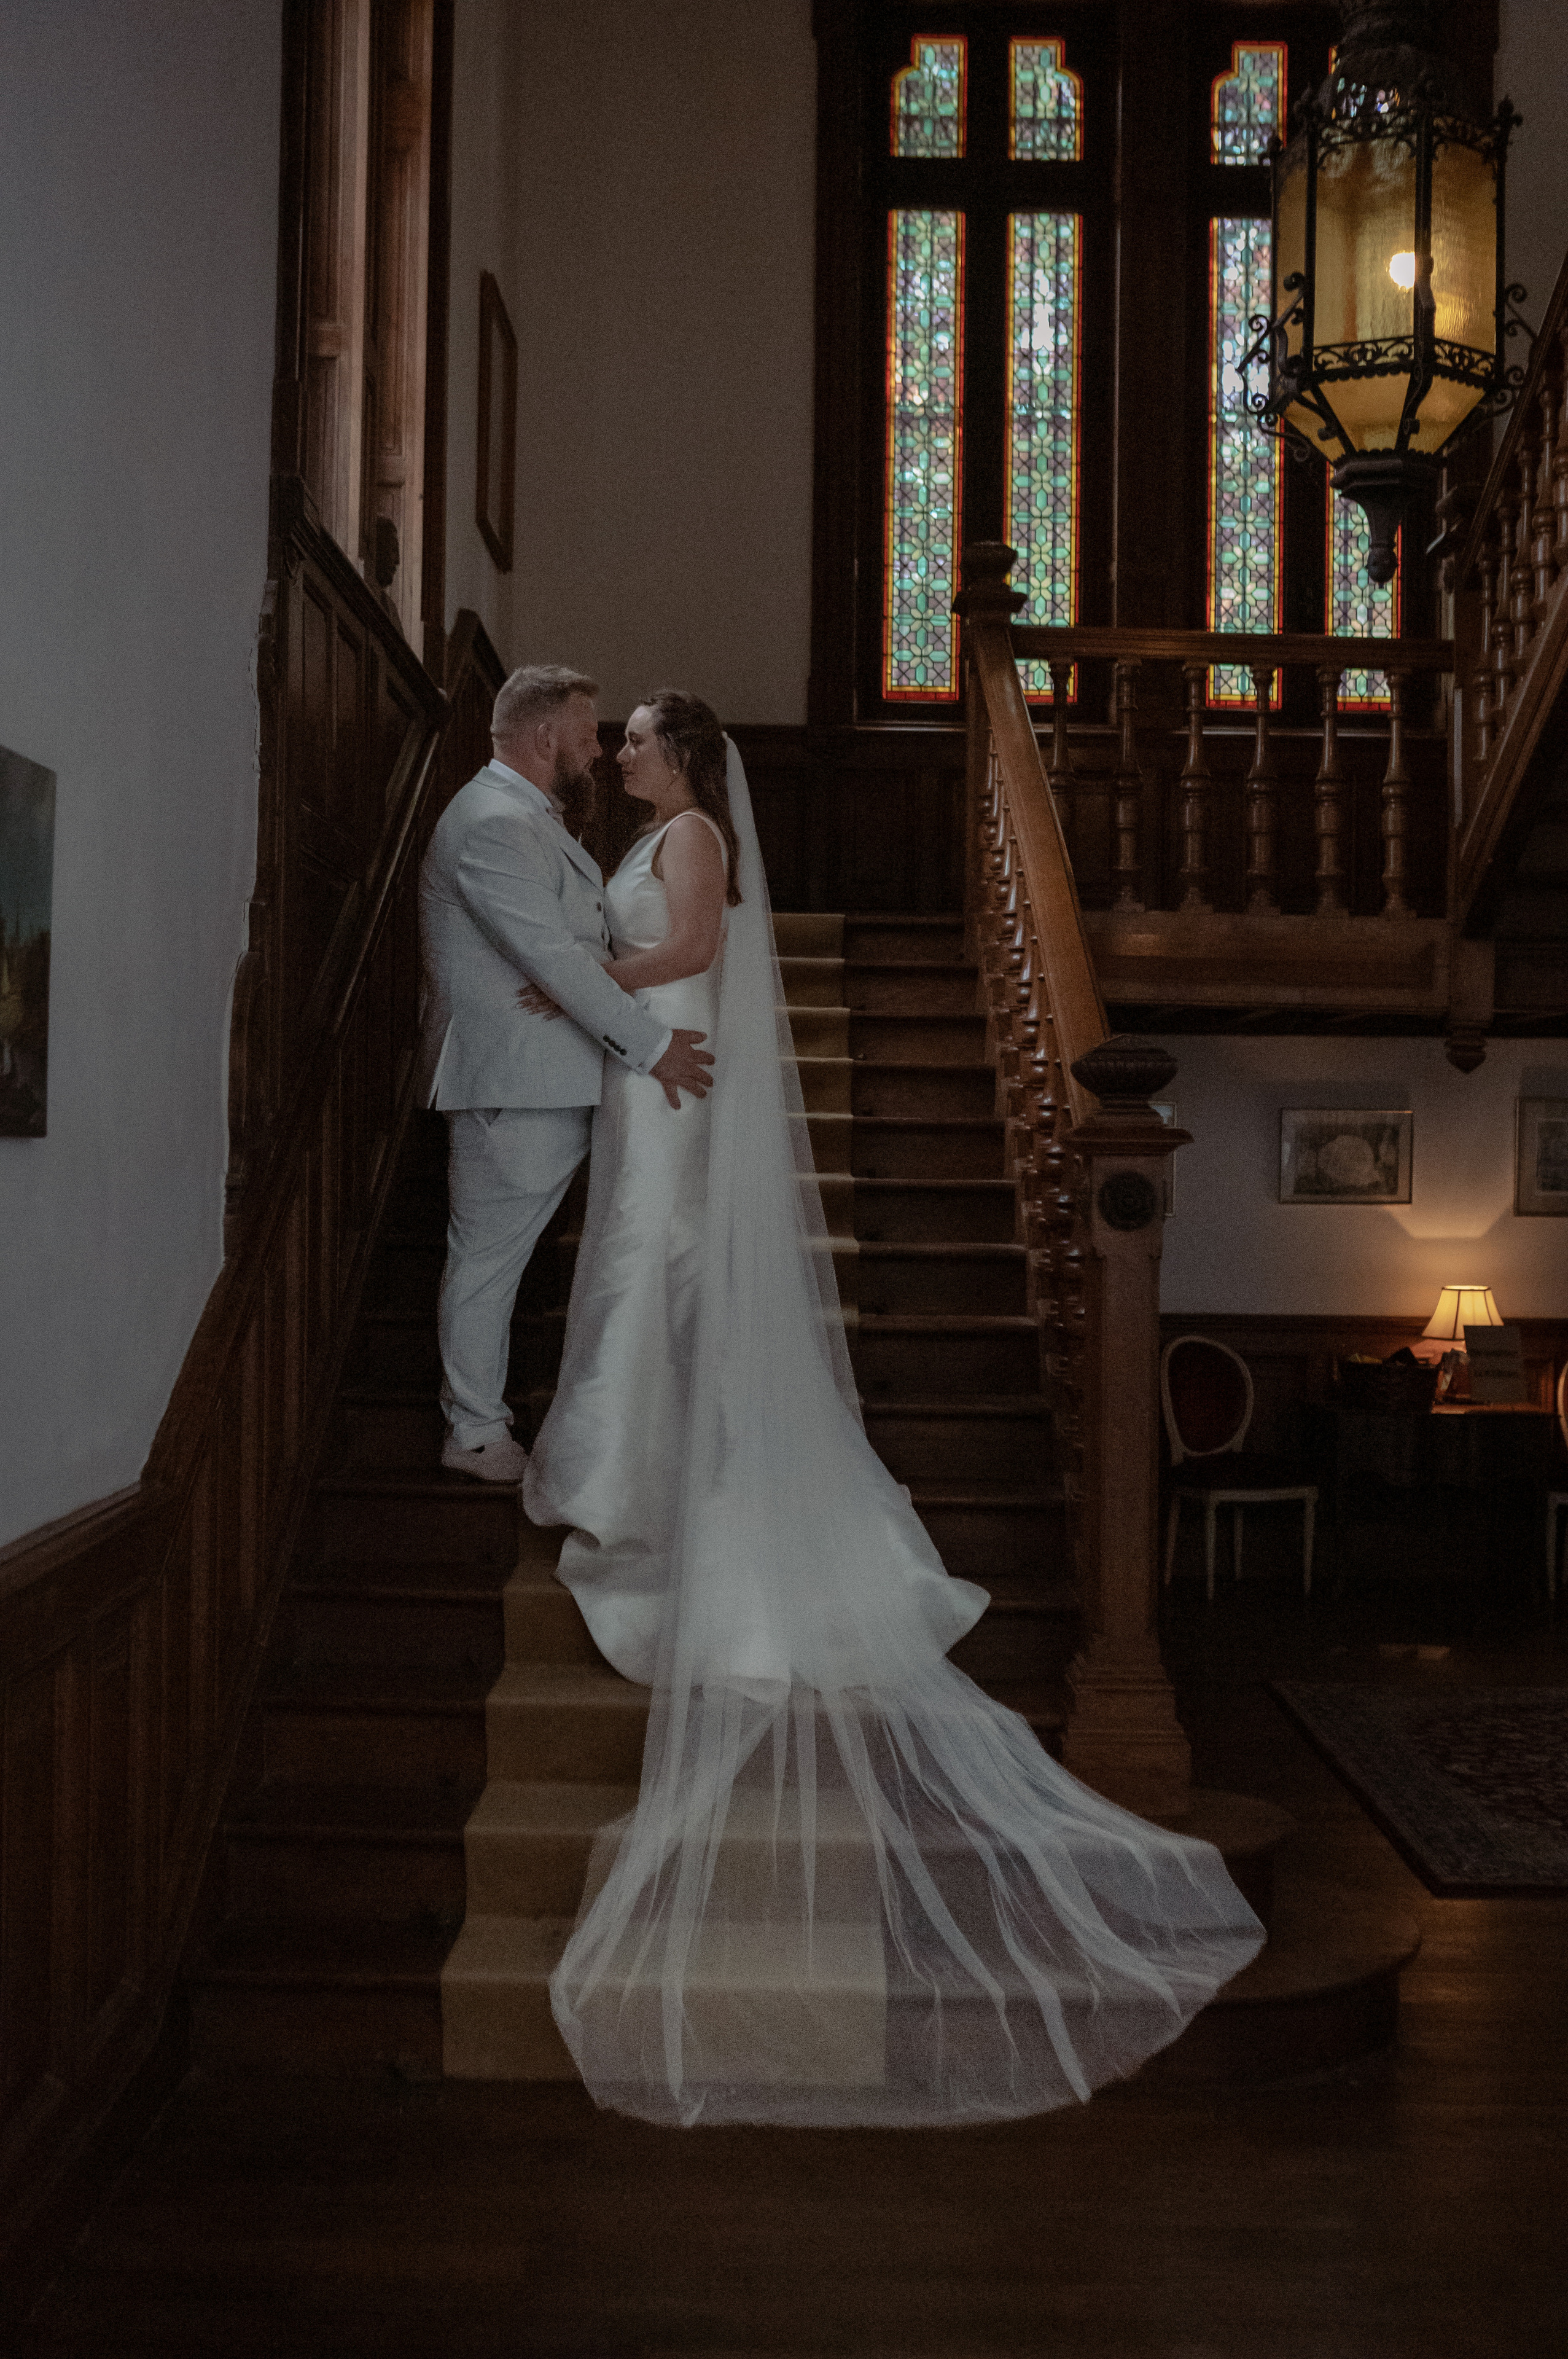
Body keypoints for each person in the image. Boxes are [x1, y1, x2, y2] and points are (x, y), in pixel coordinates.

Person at [523, 693, 1264, 2129]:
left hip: (670, 1056)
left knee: (645, 1267)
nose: (619, 752)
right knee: (631, 1267)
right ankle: (625, 1463)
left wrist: (578, 975)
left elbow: (695, 950)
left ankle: (636, 1479)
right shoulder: (652, 833)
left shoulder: (691, 836)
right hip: (647, 1060)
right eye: (618, 739)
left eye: (636, 738)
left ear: (682, 756)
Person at [414, 665, 714, 1484]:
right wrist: (652, 1046)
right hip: (516, 1082)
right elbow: (550, 956)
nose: (598, 751)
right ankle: (475, 1431)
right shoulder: (491, 822)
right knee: (488, 1262)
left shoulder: (525, 817)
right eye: (586, 734)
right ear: (545, 737)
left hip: (561, 1075)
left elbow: (581, 951)